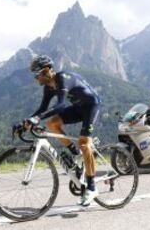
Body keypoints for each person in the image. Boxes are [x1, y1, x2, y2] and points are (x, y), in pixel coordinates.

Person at [24, 55, 101, 206]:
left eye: (36, 74)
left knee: (84, 143)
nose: (35, 78)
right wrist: (26, 122)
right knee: (52, 124)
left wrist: (37, 119)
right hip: (78, 108)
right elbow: (43, 109)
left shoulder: (62, 78)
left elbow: (60, 105)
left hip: (92, 106)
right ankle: (75, 153)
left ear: (46, 71)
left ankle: (92, 188)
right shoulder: (48, 87)